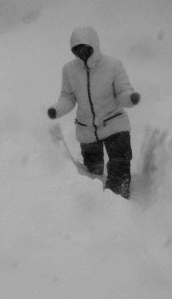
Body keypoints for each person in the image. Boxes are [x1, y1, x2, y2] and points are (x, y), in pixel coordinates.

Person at [47, 26, 140, 199]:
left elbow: (122, 92)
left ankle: (119, 202)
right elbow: (68, 97)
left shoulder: (113, 65)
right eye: (77, 49)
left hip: (114, 124)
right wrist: (56, 110)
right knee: (93, 175)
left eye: (85, 48)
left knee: (120, 165)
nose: (82, 52)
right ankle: (96, 210)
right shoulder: (69, 70)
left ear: (94, 45)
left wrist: (130, 98)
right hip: (87, 129)